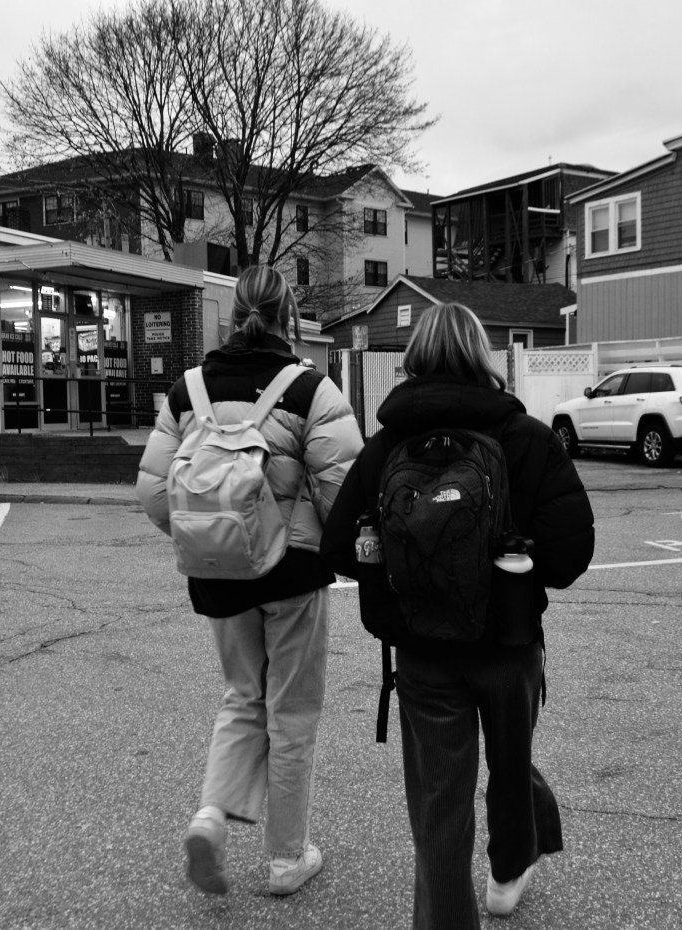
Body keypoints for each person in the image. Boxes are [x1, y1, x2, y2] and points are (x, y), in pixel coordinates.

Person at [320, 302, 595, 928]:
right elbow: (570, 556)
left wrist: (400, 571)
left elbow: (338, 547)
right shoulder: (525, 438)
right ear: (481, 355)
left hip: (422, 652)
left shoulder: (388, 444)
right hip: (509, 644)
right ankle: (507, 873)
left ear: (415, 357)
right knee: (510, 763)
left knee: (440, 803)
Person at [135, 265, 363, 897]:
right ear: (288, 315)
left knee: (242, 696)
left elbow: (153, 492)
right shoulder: (311, 390)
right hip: (292, 572)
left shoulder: (187, 391)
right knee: (291, 712)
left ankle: (211, 817)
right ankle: (287, 859)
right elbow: (342, 494)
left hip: (219, 573)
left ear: (232, 316)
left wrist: (210, 536)